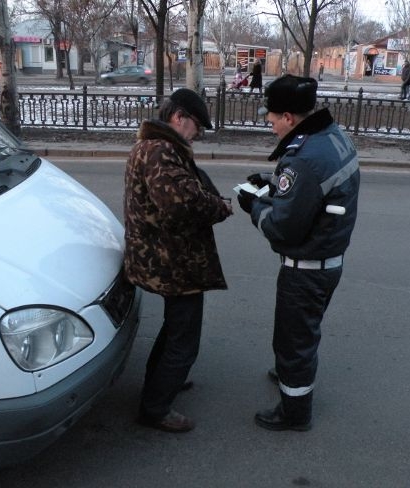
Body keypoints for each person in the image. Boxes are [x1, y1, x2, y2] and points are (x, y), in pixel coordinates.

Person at [236, 74, 360, 431]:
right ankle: (291, 374)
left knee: (294, 341)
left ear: (289, 117)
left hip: (306, 269)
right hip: (327, 260)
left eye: (271, 117)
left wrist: (254, 207)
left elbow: (283, 227)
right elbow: (314, 191)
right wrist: (274, 183)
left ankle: (295, 412)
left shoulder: (303, 159)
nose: (269, 123)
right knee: (302, 333)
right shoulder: (331, 137)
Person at [123, 88, 233, 433]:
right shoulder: (161, 151)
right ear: (178, 117)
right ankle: (155, 408)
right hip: (172, 261)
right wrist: (220, 206)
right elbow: (181, 205)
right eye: (196, 125)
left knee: (175, 329)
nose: (198, 132)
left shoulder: (155, 147)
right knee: (184, 338)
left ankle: (163, 383)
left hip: (164, 255)